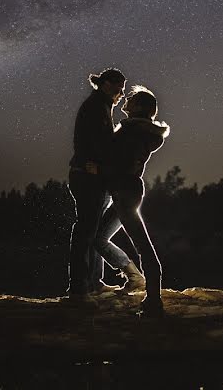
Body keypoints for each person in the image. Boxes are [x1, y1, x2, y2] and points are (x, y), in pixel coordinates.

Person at [94, 85, 170, 317]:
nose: (126, 99)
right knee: (99, 239)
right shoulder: (137, 130)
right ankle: (135, 277)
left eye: (132, 98)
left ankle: (154, 300)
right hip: (125, 189)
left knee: (143, 246)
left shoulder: (133, 132)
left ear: (139, 107)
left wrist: (99, 168)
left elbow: (124, 161)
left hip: (125, 190)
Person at [67, 67, 126, 297]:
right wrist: (102, 168)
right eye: (119, 89)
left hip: (94, 175)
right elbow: (98, 145)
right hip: (88, 176)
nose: (121, 94)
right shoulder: (95, 107)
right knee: (86, 232)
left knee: (92, 231)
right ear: (107, 85)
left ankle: (94, 283)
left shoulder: (102, 106)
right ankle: (79, 288)